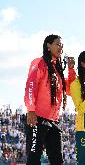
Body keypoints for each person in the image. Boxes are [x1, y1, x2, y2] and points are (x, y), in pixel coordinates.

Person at [24, 34, 76, 165]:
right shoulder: (39, 63)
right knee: (34, 157)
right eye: (58, 44)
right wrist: (31, 110)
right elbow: (31, 86)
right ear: (48, 46)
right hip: (37, 119)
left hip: (53, 121)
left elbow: (70, 90)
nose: (61, 47)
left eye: (62, 45)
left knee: (57, 160)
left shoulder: (57, 69)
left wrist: (70, 70)